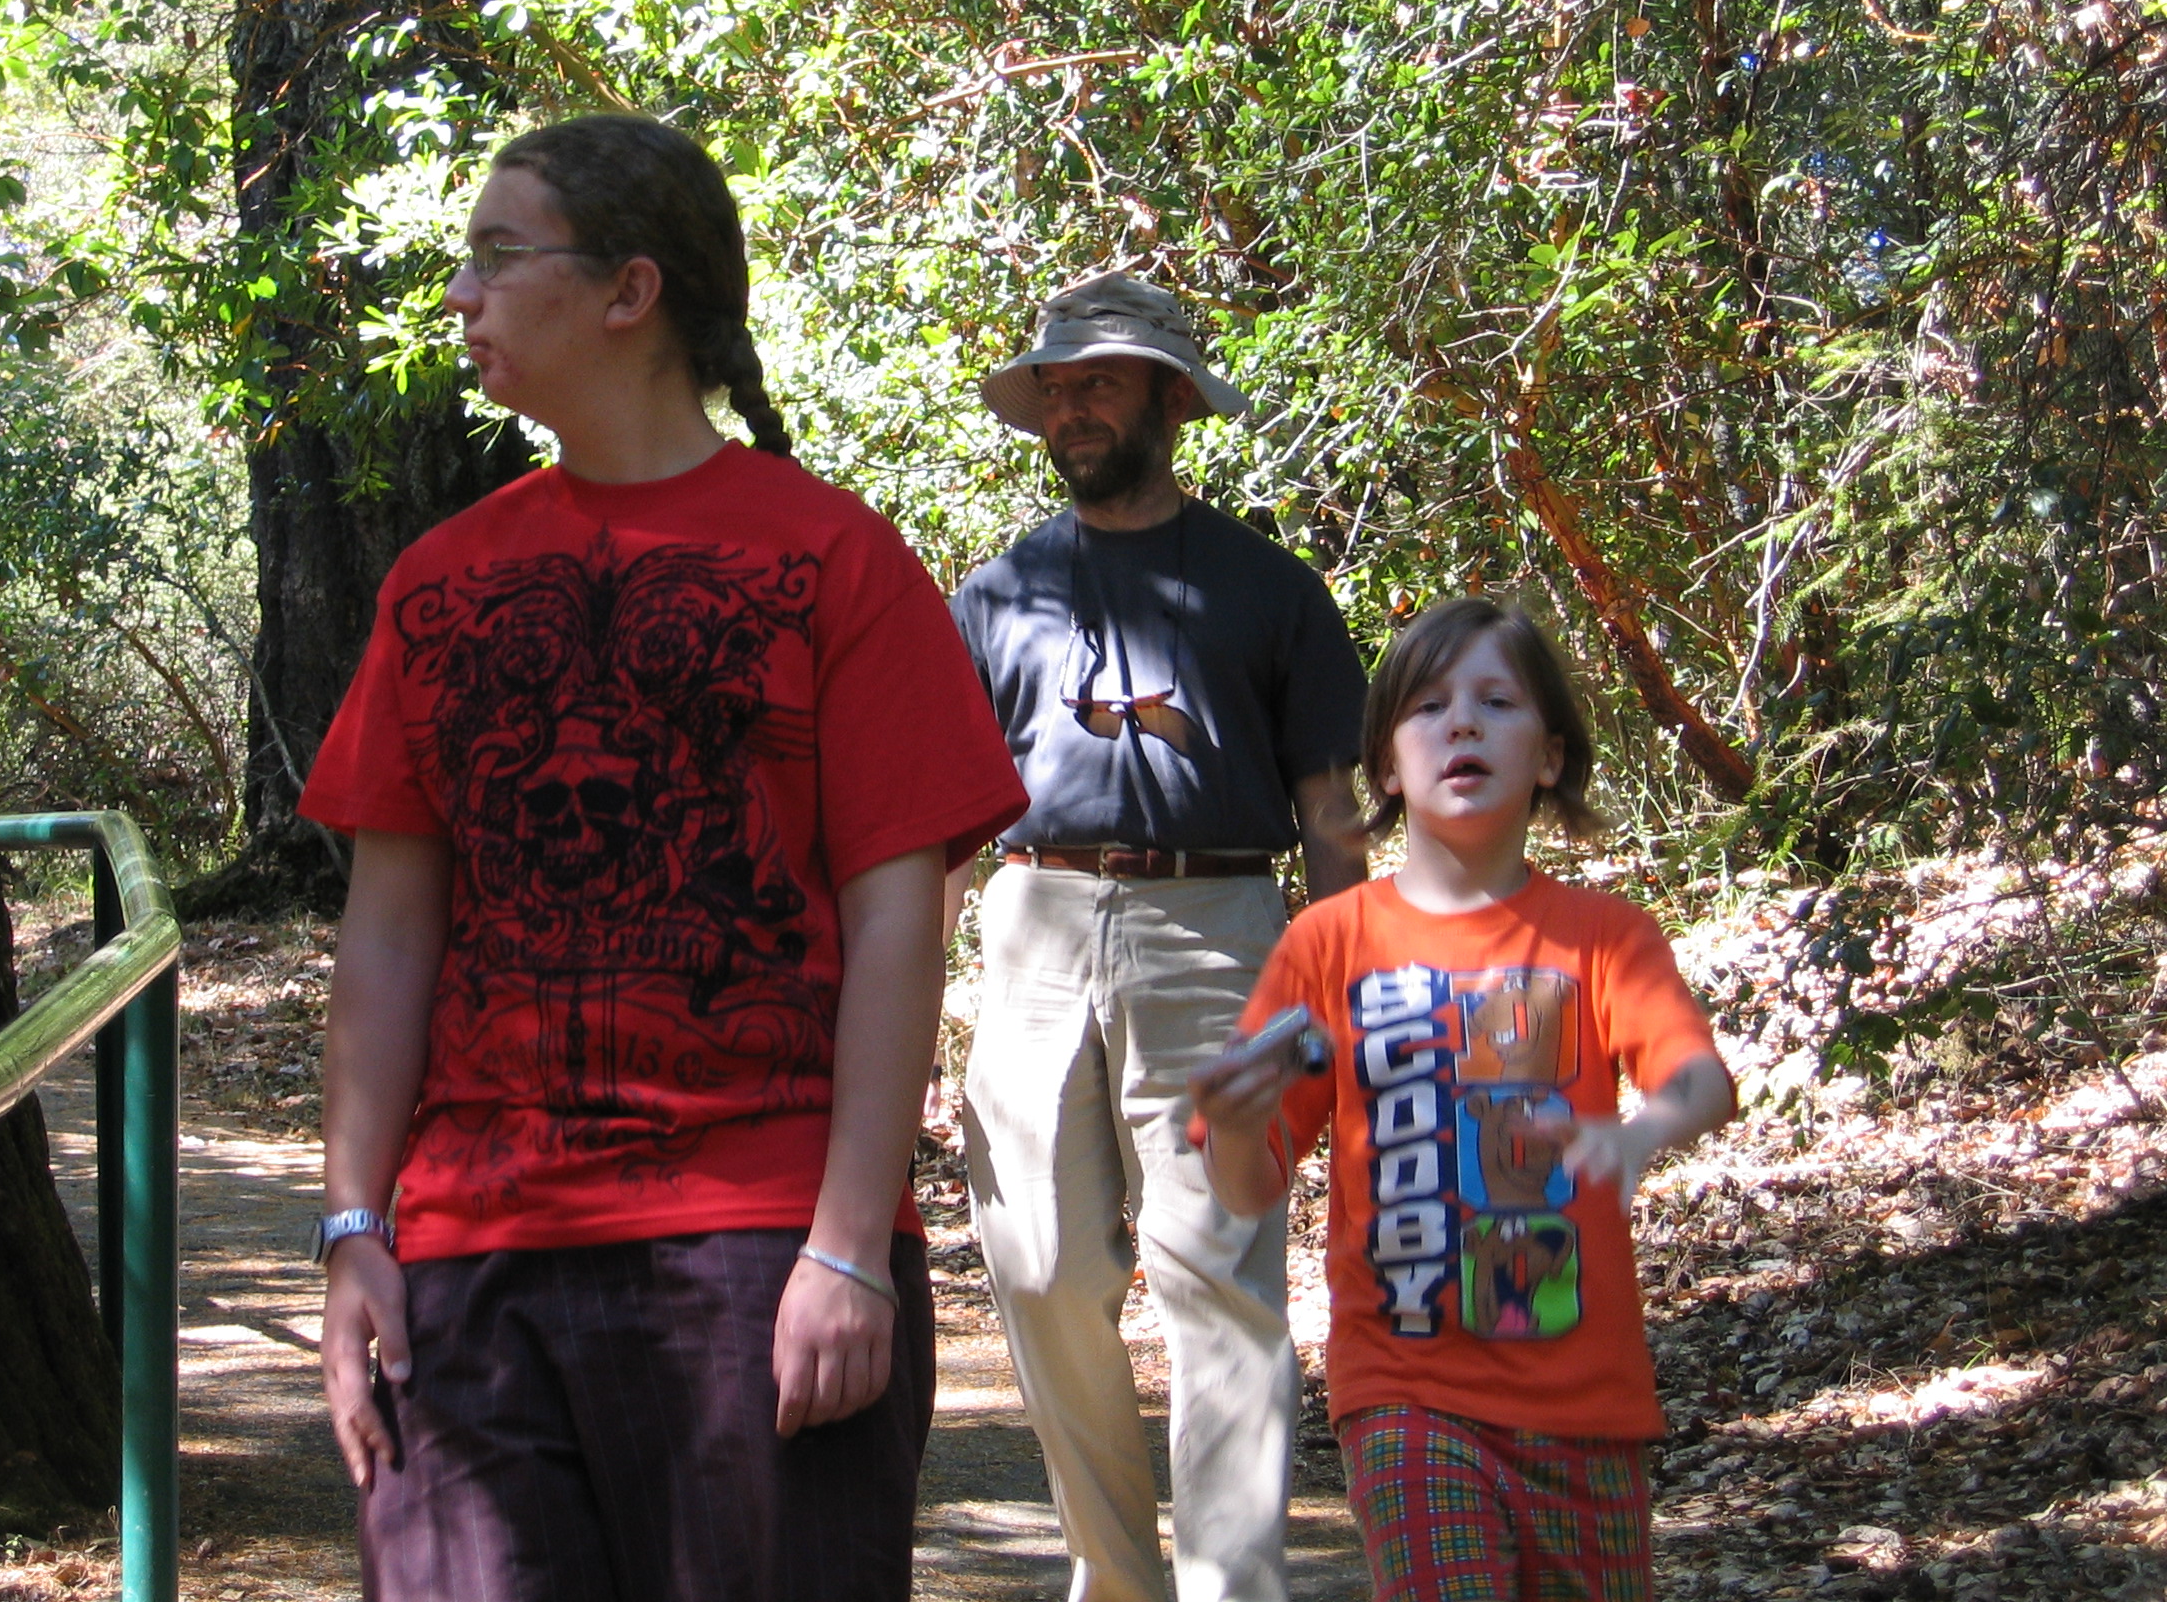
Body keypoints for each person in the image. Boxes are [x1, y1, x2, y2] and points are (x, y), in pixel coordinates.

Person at [297, 114, 1029, 1602]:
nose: (462, 294)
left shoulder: (836, 560)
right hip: (468, 1260)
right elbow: (388, 931)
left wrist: (849, 1246)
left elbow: (901, 921)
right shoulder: (439, 581)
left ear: (629, 292)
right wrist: (354, 1228)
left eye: (499, 256)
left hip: (756, 1249)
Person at [949, 272, 1369, 1602]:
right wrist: (895, 1009)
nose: (1072, 408)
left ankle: (1233, 1588)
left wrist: (1341, 1004)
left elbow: (1331, 816)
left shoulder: (1273, 591)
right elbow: (944, 830)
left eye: (1101, 383)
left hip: (1221, 932)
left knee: (1220, 1279)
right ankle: (1116, 1576)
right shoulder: (997, 595)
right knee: (1039, 1267)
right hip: (1032, 928)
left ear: (1170, 400)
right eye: (1056, 388)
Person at [1192, 596, 1736, 1602]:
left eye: (1497, 702)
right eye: (1430, 705)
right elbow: (1249, 1184)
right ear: (1386, 768)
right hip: (1404, 1394)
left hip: (1586, 1405)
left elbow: (1700, 1076)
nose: (1463, 725)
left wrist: (1642, 1132)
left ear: (1551, 757)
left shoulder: (1604, 935)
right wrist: (1231, 1127)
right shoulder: (1329, 943)